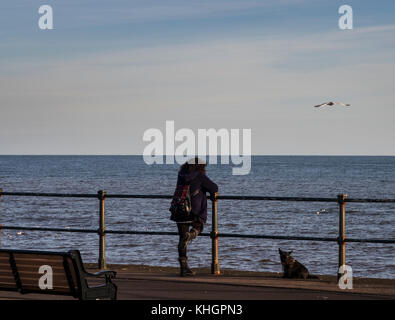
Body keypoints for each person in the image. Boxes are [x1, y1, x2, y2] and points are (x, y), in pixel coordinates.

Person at [172, 157, 218, 276]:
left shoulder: (181, 175)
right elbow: (214, 188)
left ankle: (183, 268)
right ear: (200, 167)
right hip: (194, 211)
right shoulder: (199, 175)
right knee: (199, 226)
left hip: (179, 209)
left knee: (182, 239)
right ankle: (191, 235)